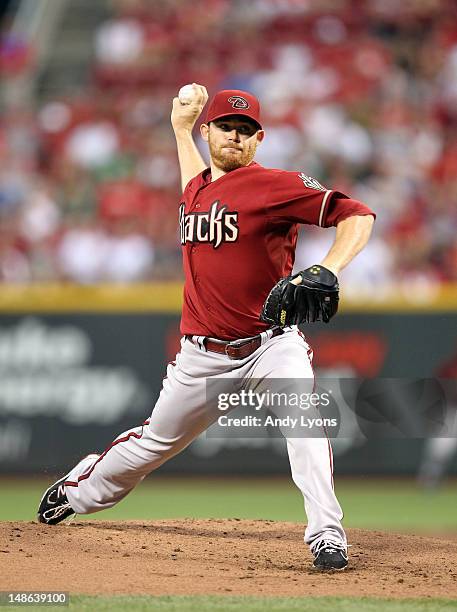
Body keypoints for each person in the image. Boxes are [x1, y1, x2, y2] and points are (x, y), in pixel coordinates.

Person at [37, 85, 375, 571]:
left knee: (306, 426)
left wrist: (330, 268)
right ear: (208, 132)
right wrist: (178, 129)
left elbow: (357, 214)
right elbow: (193, 179)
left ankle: (327, 536)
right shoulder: (197, 189)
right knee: (152, 444)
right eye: (226, 127)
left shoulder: (275, 185)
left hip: (270, 346)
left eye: (247, 130)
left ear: (259, 140)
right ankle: (78, 491)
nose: (236, 137)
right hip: (201, 357)